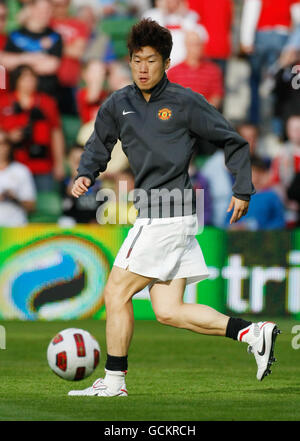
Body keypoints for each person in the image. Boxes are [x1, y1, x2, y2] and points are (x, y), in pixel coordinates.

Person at [69, 19, 280, 398]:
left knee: (116, 292)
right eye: (136, 60)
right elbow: (99, 143)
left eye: (151, 60)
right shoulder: (118, 103)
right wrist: (86, 173)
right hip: (157, 214)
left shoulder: (185, 102)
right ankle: (253, 332)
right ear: (130, 62)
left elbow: (233, 141)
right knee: (169, 310)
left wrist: (242, 190)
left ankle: (114, 382)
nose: (143, 68)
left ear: (166, 62)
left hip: (170, 213)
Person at [0, 65, 65, 191]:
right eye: (25, 78)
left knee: (45, 199)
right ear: (16, 80)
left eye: (32, 78)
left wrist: (59, 163)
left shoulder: (47, 102)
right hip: (14, 164)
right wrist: (9, 136)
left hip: (42, 164)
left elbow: (56, 133)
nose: (29, 82)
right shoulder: (4, 102)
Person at [0, 0, 63, 98]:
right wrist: (34, 58)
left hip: (45, 96)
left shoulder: (55, 37)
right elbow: (4, 62)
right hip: (16, 98)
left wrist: (18, 62)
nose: (45, 14)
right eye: (41, 10)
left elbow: (51, 66)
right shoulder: (14, 35)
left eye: (48, 10)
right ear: (31, 9)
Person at [167, 27, 224, 110]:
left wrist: (204, 112)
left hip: (206, 116)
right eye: (192, 44)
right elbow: (170, 98)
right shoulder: (174, 72)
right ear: (186, 45)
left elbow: (216, 96)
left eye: (198, 44)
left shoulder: (213, 70)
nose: (195, 48)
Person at [225, 155, 286, 230]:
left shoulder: (272, 196)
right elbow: (227, 223)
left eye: (256, 172)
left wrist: (259, 228)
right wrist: (235, 227)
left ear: (263, 174)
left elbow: (279, 222)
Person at [0, 132, 36, 226]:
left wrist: (15, 198)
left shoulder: (21, 170)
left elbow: (31, 206)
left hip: (16, 227)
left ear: (9, 146)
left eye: (3, 143)